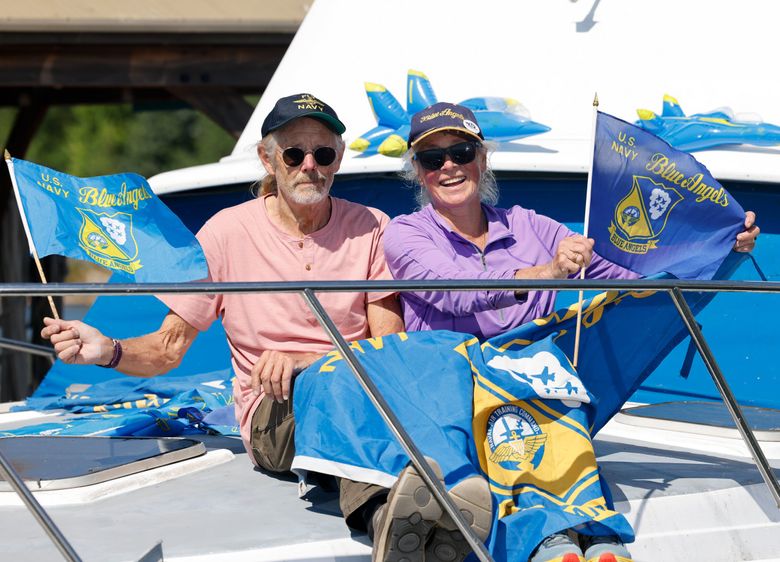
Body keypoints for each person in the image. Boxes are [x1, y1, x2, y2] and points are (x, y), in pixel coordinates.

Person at [40, 94, 491, 562]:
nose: (309, 166)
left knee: (379, 377)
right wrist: (106, 349)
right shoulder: (225, 232)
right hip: (274, 417)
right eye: (294, 154)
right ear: (268, 158)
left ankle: (420, 519)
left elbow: (385, 347)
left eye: (324, 154)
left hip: (362, 392)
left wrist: (309, 361)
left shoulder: (372, 226)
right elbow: (169, 349)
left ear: (338, 159)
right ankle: (404, 513)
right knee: (331, 384)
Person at [384, 102, 760, 562]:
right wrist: (546, 271)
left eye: (461, 152)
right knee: (528, 421)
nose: (449, 166)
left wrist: (722, 250)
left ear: (482, 160)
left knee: (545, 406)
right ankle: (562, 539)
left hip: (537, 395)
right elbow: (453, 293)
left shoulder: (533, 225)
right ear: (417, 172)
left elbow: (631, 279)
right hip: (454, 400)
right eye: (432, 158)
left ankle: (583, 541)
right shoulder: (405, 234)